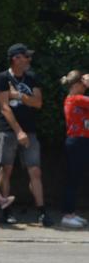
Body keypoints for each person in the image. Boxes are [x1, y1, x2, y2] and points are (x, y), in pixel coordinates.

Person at [0, 43, 50, 226]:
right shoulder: (2, 78)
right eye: (25, 56)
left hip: (30, 131)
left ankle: (42, 212)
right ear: (15, 59)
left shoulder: (32, 77)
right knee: (6, 168)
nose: (28, 60)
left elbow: (38, 102)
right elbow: (4, 107)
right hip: (8, 131)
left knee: (35, 170)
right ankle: (5, 209)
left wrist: (17, 96)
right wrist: (18, 131)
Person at [59, 70, 89, 228]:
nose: (85, 86)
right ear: (76, 84)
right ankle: (67, 215)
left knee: (75, 179)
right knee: (72, 179)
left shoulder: (77, 99)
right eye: (83, 84)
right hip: (77, 142)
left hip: (81, 142)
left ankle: (71, 213)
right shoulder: (75, 98)